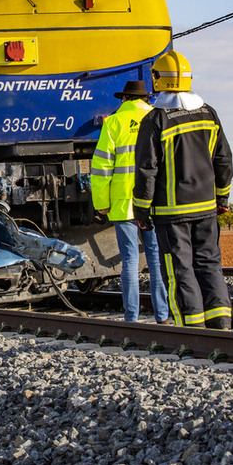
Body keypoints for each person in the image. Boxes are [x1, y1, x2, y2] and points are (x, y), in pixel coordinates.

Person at [133, 51, 233, 329]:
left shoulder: (156, 120)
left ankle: (192, 328)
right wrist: (222, 196)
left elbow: (146, 169)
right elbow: (223, 159)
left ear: (158, 80)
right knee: (210, 264)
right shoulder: (208, 113)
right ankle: (222, 323)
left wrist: (142, 209)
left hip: (171, 212)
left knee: (180, 270)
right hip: (206, 208)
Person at [91, 80, 169, 324]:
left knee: (130, 261)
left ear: (124, 99)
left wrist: (101, 202)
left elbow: (102, 167)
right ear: (145, 98)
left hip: (123, 203)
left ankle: (131, 317)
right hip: (154, 202)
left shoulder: (114, 123)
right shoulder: (159, 119)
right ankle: (163, 316)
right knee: (156, 260)